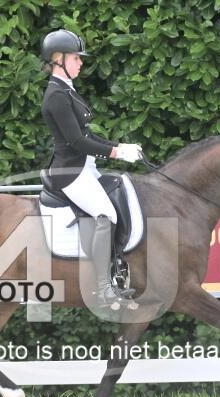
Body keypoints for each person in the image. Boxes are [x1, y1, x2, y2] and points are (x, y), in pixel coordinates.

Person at [40, 29, 142, 308]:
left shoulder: (67, 90)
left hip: (85, 168)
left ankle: (117, 267)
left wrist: (120, 146)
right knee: (106, 215)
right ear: (58, 59)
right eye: (76, 58)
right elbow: (77, 141)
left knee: (119, 196)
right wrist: (116, 152)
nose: (80, 63)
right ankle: (103, 288)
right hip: (70, 173)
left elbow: (88, 135)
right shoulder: (56, 96)